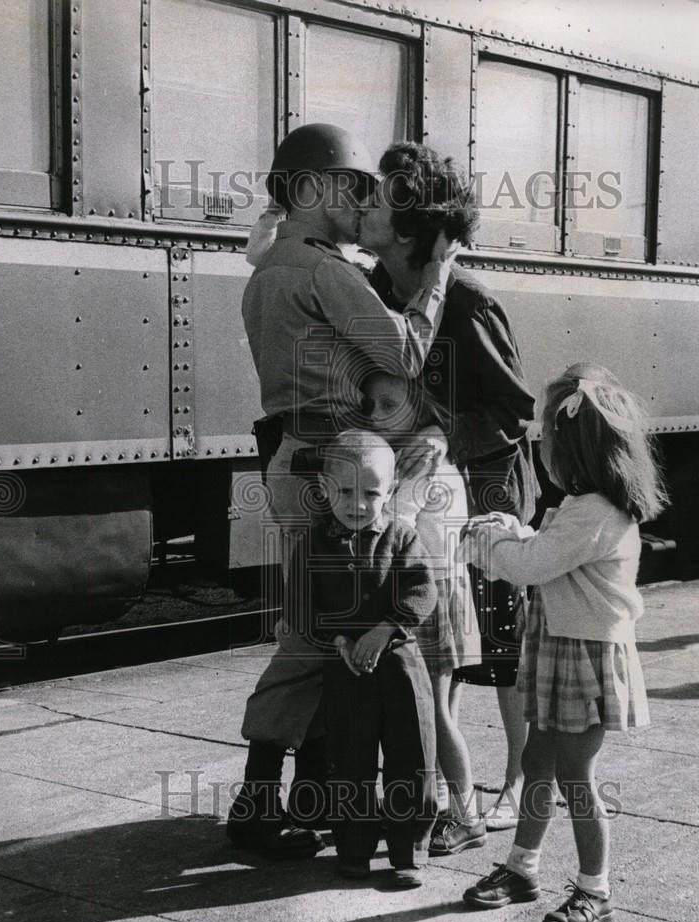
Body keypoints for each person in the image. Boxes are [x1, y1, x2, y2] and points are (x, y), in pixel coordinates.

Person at [227, 124, 457, 859]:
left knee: (323, 633)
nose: (362, 198)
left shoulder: (273, 266)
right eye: (351, 185)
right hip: (330, 466)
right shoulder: (325, 270)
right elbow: (408, 352)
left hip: (299, 458)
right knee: (310, 640)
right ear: (308, 188)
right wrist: (440, 271)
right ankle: (260, 807)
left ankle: (304, 798)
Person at [358, 142, 538, 848]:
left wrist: (438, 434)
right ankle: (442, 783)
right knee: (439, 645)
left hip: (488, 487)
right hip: (423, 493)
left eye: (375, 204)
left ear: (408, 230)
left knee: (499, 643)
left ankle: (518, 778)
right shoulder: (374, 289)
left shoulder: (466, 301)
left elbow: (513, 409)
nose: (361, 211)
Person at [460, 362, 668, 922]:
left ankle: (596, 890)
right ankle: (523, 868)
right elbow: (551, 554)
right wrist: (515, 528)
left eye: (547, 438)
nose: (541, 448)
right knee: (537, 763)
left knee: (575, 775)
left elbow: (533, 565)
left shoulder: (596, 513)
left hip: (585, 655)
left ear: (572, 449)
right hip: (560, 647)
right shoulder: (586, 508)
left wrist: (487, 542)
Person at [285, 430, 438, 888]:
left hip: (399, 664)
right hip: (345, 668)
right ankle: (354, 848)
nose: (357, 503)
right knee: (349, 757)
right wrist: (338, 642)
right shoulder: (312, 544)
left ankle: (407, 848)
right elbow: (301, 606)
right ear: (325, 490)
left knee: (411, 754)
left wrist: (383, 628)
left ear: (390, 491)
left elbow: (422, 589)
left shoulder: (402, 536)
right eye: (346, 491)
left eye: (371, 493)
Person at [360, 370, 485, 852]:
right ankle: (437, 808)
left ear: (419, 406)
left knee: (432, 713)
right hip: (449, 591)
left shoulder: (417, 460)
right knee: (442, 708)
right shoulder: (431, 450)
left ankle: (467, 815)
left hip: (431, 596)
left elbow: (396, 521)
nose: (375, 415)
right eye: (369, 405)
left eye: (387, 404)